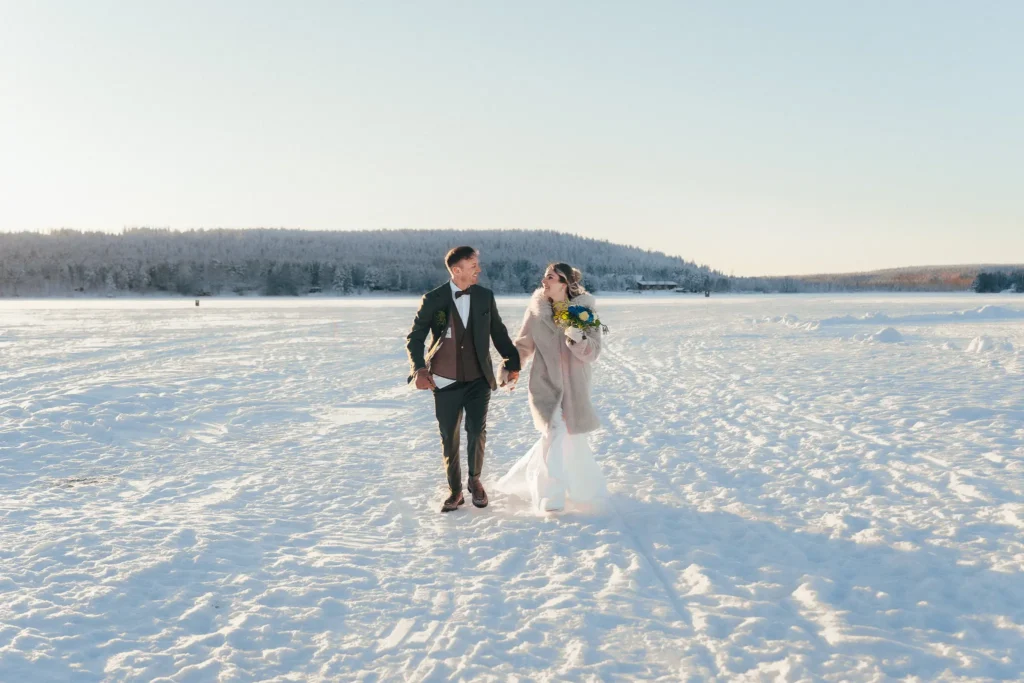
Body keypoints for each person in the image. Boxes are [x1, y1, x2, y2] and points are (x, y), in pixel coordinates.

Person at [406, 246, 521, 512]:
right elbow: (415, 338)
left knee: (476, 431)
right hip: (444, 380)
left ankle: (475, 481)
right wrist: (419, 369)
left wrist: (511, 362)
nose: (478, 269)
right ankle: (455, 491)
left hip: (479, 379)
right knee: (449, 436)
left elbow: (499, 333)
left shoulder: (484, 297)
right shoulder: (433, 299)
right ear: (457, 270)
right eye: (473, 266)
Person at [496, 263, 607, 512]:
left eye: (550, 277)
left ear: (564, 283)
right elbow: (523, 345)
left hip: (575, 384)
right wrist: (511, 368)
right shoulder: (536, 311)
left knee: (567, 435)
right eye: (544, 276)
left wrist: (577, 339)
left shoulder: (585, 311)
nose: (544, 281)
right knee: (554, 431)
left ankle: (580, 487)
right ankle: (551, 495)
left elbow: (593, 352)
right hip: (544, 383)